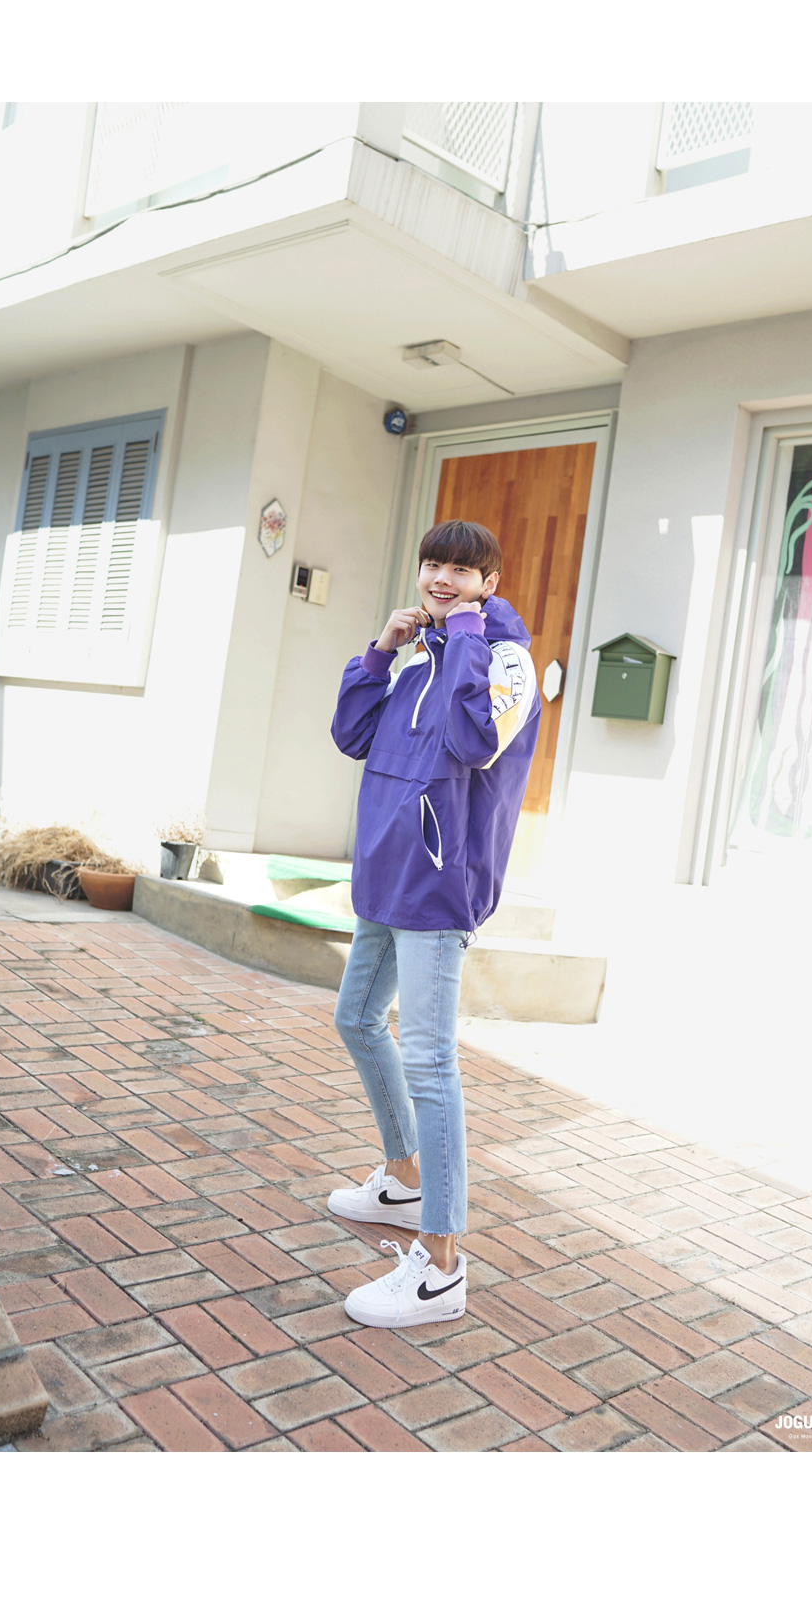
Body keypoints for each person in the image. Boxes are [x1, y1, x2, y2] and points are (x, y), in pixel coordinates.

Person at [328, 517, 540, 1331]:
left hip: (439, 885)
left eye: (462, 568)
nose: (443, 578)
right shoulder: (418, 651)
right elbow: (352, 734)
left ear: (489, 581)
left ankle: (442, 1262)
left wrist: (466, 640)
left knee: (429, 1061)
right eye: (433, 564)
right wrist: (381, 651)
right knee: (356, 1017)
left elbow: (473, 738)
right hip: (385, 876)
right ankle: (403, 1176)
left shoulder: (505, 659)